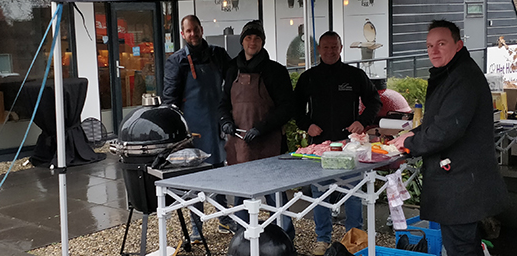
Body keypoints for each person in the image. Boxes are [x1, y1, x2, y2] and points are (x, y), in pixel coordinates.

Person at [399, 20, 509, 256]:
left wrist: (409, 143)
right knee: (461, 245)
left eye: (441, 44)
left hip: (461, 185)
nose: (434, 51)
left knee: (462, 247)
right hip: (460, 184)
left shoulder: (463, 77)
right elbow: (438, 121)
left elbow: (446, 130)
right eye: (429, 46)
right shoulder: (451, 73)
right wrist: (413, 134)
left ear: (458, 45)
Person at [293, 31, 382, 256]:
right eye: (326, 47)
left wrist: (362, 122)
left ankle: (354, 239)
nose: (330, 51)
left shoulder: (354, 75)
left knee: (353, 192)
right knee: (320, 193)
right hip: (319, 147)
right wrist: (307, 124)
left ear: (341, 48)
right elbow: (295, 108)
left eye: (334, 47)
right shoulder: (308, 77)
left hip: (348, 146)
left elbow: (374, 100)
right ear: (319, 50)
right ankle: (322, 239)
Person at [219, 20, 296, 241]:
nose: (252, 42)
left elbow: (287, 107)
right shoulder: (231, 68)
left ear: (263, 42)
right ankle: (242, 237)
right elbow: (223, 102)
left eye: (257, 38)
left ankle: (285, 237)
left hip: (269, 143)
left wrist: (261, 128)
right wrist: (225, 121)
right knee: (242, 193)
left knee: (276, 194)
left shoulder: (276, 71)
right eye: (249, 38)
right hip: (239, 143)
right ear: (242, 41)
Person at [162, 15, 235, 238]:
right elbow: (169, 100)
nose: (193, 34)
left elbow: (233, 81)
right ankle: (196, 229)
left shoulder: (218, 54)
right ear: (183, 34)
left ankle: (224, 218)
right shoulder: (177, 61)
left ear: (201, 30)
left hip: (216, 123)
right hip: (191, 129)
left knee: (219, 171)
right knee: (195, 177)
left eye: (196, 29)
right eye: (188, 31)